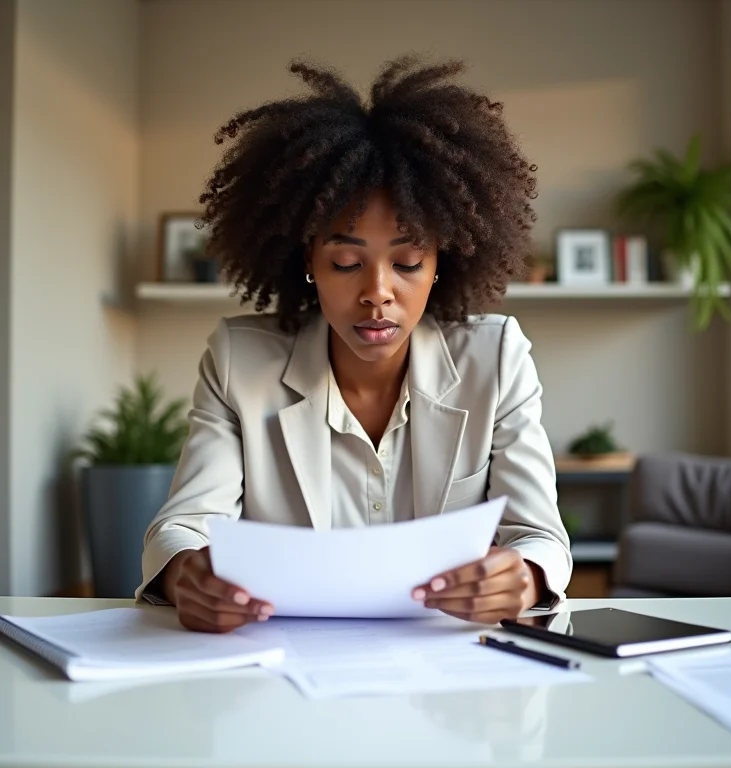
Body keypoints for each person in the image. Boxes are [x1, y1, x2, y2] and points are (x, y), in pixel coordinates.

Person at [136, 56, 572, 633]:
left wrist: (526, 576)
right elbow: (185, 524)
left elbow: (539, 536)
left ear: (443, 261)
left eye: (408, 262)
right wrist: (186, 573)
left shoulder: (496, 359)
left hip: (449, 680)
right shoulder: (239, 361)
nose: (377, 293)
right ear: (309, 261)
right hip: (287, 672)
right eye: (346, 262)